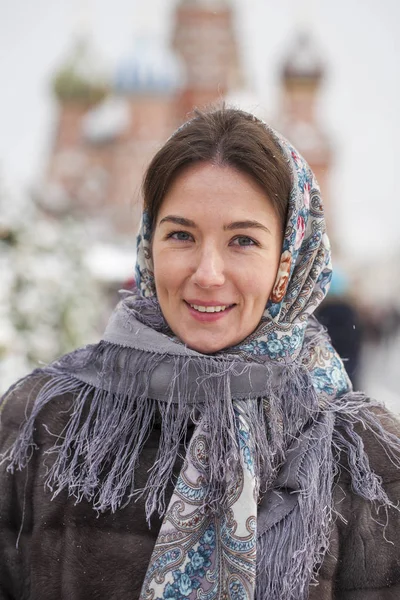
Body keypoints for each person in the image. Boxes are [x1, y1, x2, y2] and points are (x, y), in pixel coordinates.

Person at [1, 107, 400, 600]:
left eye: (243, 240)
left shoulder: (359, 456)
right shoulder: (45, 423)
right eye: (182, 235)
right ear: (150, 245)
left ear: (287, 260)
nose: (208, 273)